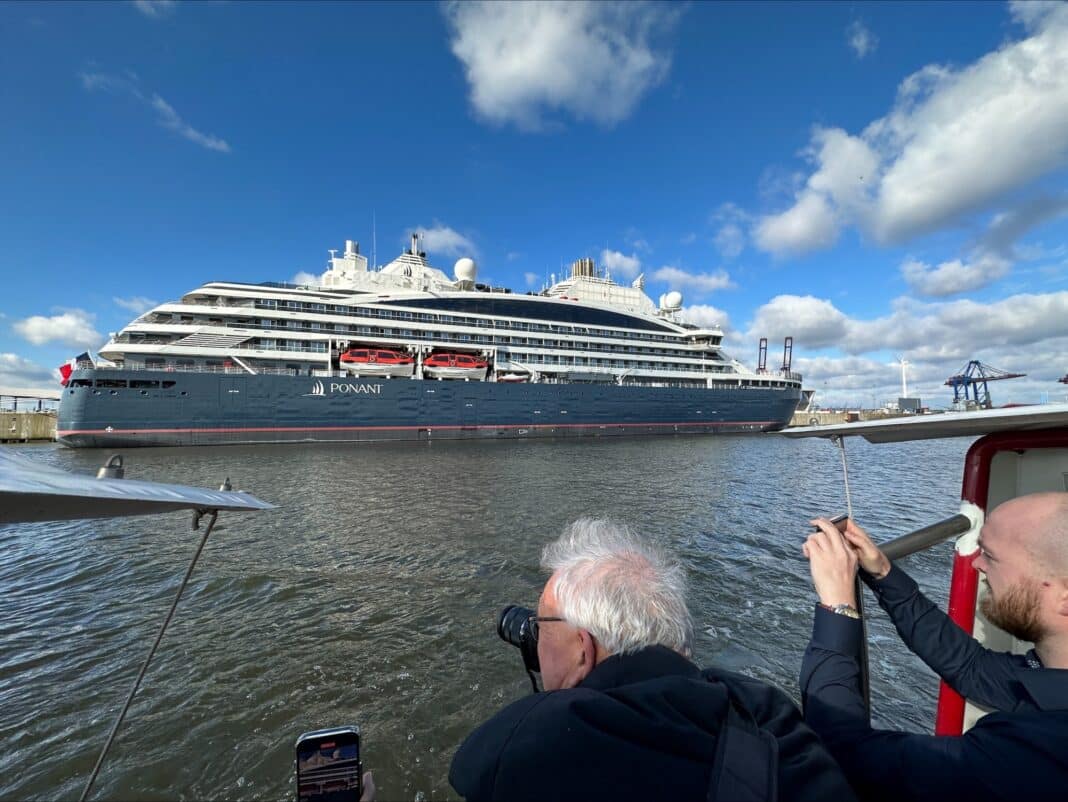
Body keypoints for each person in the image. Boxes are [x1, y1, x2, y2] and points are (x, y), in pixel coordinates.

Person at [450, 518, 856, 802]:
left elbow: (472, 769)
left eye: (542, 627)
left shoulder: (531, 749)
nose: (533, 639)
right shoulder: (768, 718)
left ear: (582, 651)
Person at [800, 492, 1068, 801]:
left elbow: (844, 755)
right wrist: (883, 572)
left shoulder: (1025, 756)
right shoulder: (1051, 680)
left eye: (991, 556)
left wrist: (838, 606)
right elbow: (971, 667)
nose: (977, 563)